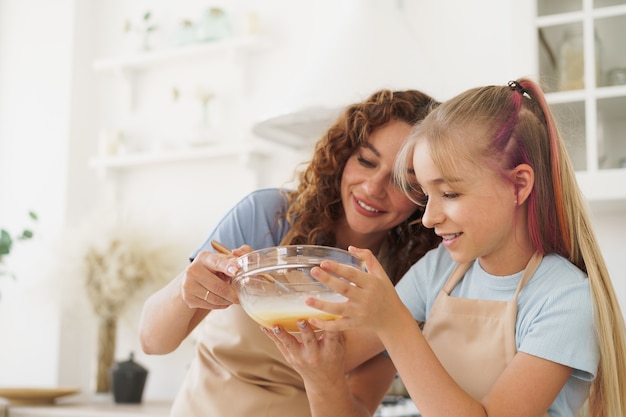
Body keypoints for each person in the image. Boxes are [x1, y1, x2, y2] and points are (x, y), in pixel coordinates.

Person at [266, 78, 626, 417]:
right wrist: (259, 287)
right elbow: (337, 356)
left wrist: (393, 323)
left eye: (450, 193)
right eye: (427, 195)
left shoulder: (564, 298)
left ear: (518, 185)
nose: (428, 217)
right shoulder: (438, 271)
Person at [138, 89, 442, 416]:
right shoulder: (266, 217)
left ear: (424, 195)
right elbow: (153, 341)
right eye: (366, 161)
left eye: (401, 181)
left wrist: (322, 375)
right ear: (343, 155)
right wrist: (188, 287)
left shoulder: (403, 281)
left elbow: (357, 409)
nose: (372, 188)